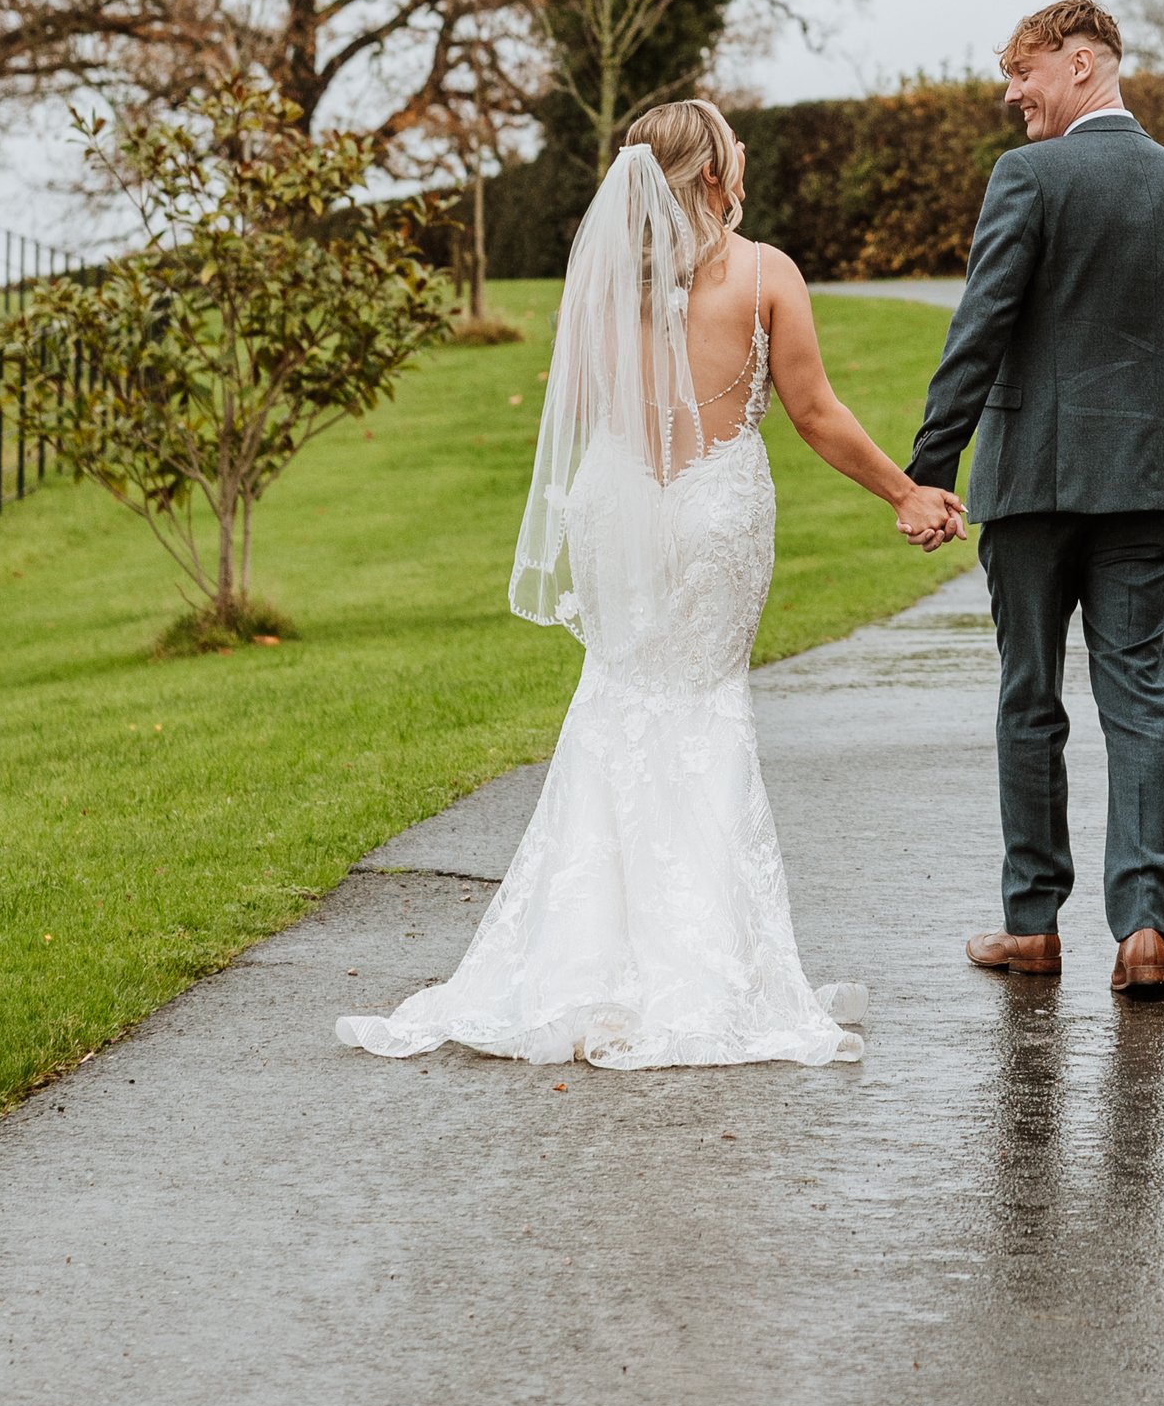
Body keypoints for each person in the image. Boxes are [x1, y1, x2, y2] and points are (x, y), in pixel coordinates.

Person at [338, 99, 961, 1075]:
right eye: (735, 151)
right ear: (712, 175)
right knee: (704, 709)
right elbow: (812, 410)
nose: (745, 159)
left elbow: (583, 413)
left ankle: (580, 966)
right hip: (716, 511)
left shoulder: (600, 287)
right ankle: (707, 974)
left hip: (617, 503)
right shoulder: (765, 274)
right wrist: (903, 492)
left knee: (617, 702)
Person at [907, 0, 1164, 1000]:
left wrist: (931, 466)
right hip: (1154, 481)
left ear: (1083, 65)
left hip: (1035, 483)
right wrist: (1154, 446)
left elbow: (979, 331)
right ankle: (1142, 930)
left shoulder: (1029, 178)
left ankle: (1032, 925)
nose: (1013, 93)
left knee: (1029, 696)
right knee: (1139, 697)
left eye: (1025, 72)